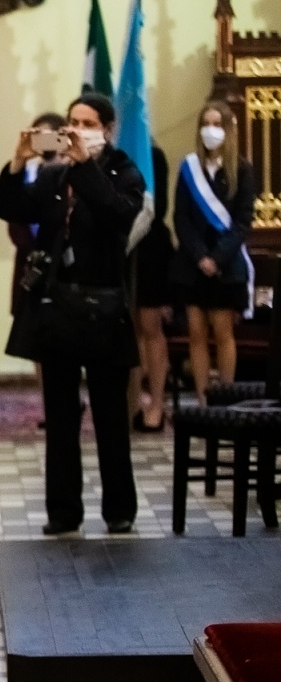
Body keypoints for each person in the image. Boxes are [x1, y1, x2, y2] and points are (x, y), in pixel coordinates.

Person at [0, 93, 144, 535]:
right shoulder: (54, 175)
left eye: (87, 123)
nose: (76, 129)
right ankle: (63, 512)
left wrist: (85, 166)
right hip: (57, 307)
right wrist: (17, 164)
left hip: (103, 307)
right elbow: (9, 207)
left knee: (110, 415)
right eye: (72, 121)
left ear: (108, 130)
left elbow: (118, 215)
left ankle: (119, 509)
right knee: (60, 416)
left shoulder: (124, 172)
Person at [170, 99, 257, 403]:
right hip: (193, 264)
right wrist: (200, 257)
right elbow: (180, 217)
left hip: (226, 265)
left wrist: (217, 258)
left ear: (228, 129)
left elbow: (243, 221)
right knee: (196, 335)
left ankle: (225, 400)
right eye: (206, 124)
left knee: (223, 335)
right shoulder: (189, 168)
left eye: (217, 124)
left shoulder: (242, 170)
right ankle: (204, 400)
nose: (211, 130)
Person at [7, 113, 65, 422]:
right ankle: (48, 403)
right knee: (36, 338)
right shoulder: (27, 173)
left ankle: (68, 397)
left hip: (62, 266)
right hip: (30, 264)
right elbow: (13, 219)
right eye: (38, 135)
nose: (45, 141)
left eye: (50, 135)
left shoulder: (69, 171)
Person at [131, 143, 173, 432]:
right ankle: (132, 402)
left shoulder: (153, 155)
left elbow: (159, 207)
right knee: (127, 331)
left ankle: (156, 404)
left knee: (150, 327)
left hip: (150, 247)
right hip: (119, 248)